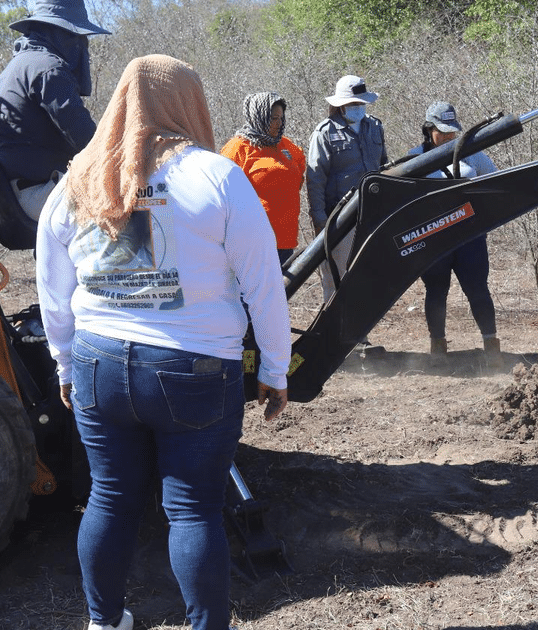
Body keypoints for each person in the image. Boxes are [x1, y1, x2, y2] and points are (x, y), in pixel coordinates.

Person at [35, 55, 291, 630]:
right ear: (187, 104)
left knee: (109, 498)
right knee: (193, 510)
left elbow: (52, 286)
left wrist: (64, 366)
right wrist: (276, 367)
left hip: (98, 361)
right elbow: (263, 284)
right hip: (194, 369)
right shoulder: (218, 175)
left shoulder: (78, 178)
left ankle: (103, 622)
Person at [0, 0, 109, 220]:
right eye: (74, 35)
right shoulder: (49, 69)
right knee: (132, 209)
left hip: (13, 193)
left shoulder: (20, 64)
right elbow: (86, 139)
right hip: (36, 195)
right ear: (56, 32)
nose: (80, 43)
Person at [403, 101, 502, 367]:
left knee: (478, 289)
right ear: (428, 129)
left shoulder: (472, 153)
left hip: (470, 238)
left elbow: (495, 183)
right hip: (434, 240)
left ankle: (491, 344)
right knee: (436, 290)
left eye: (452, 131)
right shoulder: (414, 158)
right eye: (442, 131)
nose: (448, 136)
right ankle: (438, 346)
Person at [305, 74, 388, 301]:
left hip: (371, 215)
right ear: (340, 105)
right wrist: (321, 221)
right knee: (337, 278)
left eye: (360, 103)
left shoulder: (375, 127)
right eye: (352, 104)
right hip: (339, 218)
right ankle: (335, 333)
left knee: (367, 275)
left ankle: (360, 333)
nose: (357, 108)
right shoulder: (325, 133)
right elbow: (315, 179)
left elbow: (383, 168)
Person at [220, 92, 306, 264]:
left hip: (285, 240)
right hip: (252, 242)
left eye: (281, 118)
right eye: (273, 118)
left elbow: (298, 177)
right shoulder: (237, 149)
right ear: (258, 116)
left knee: (284, 290)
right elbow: (222, 196)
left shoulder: (287, 146)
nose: (279, 123)